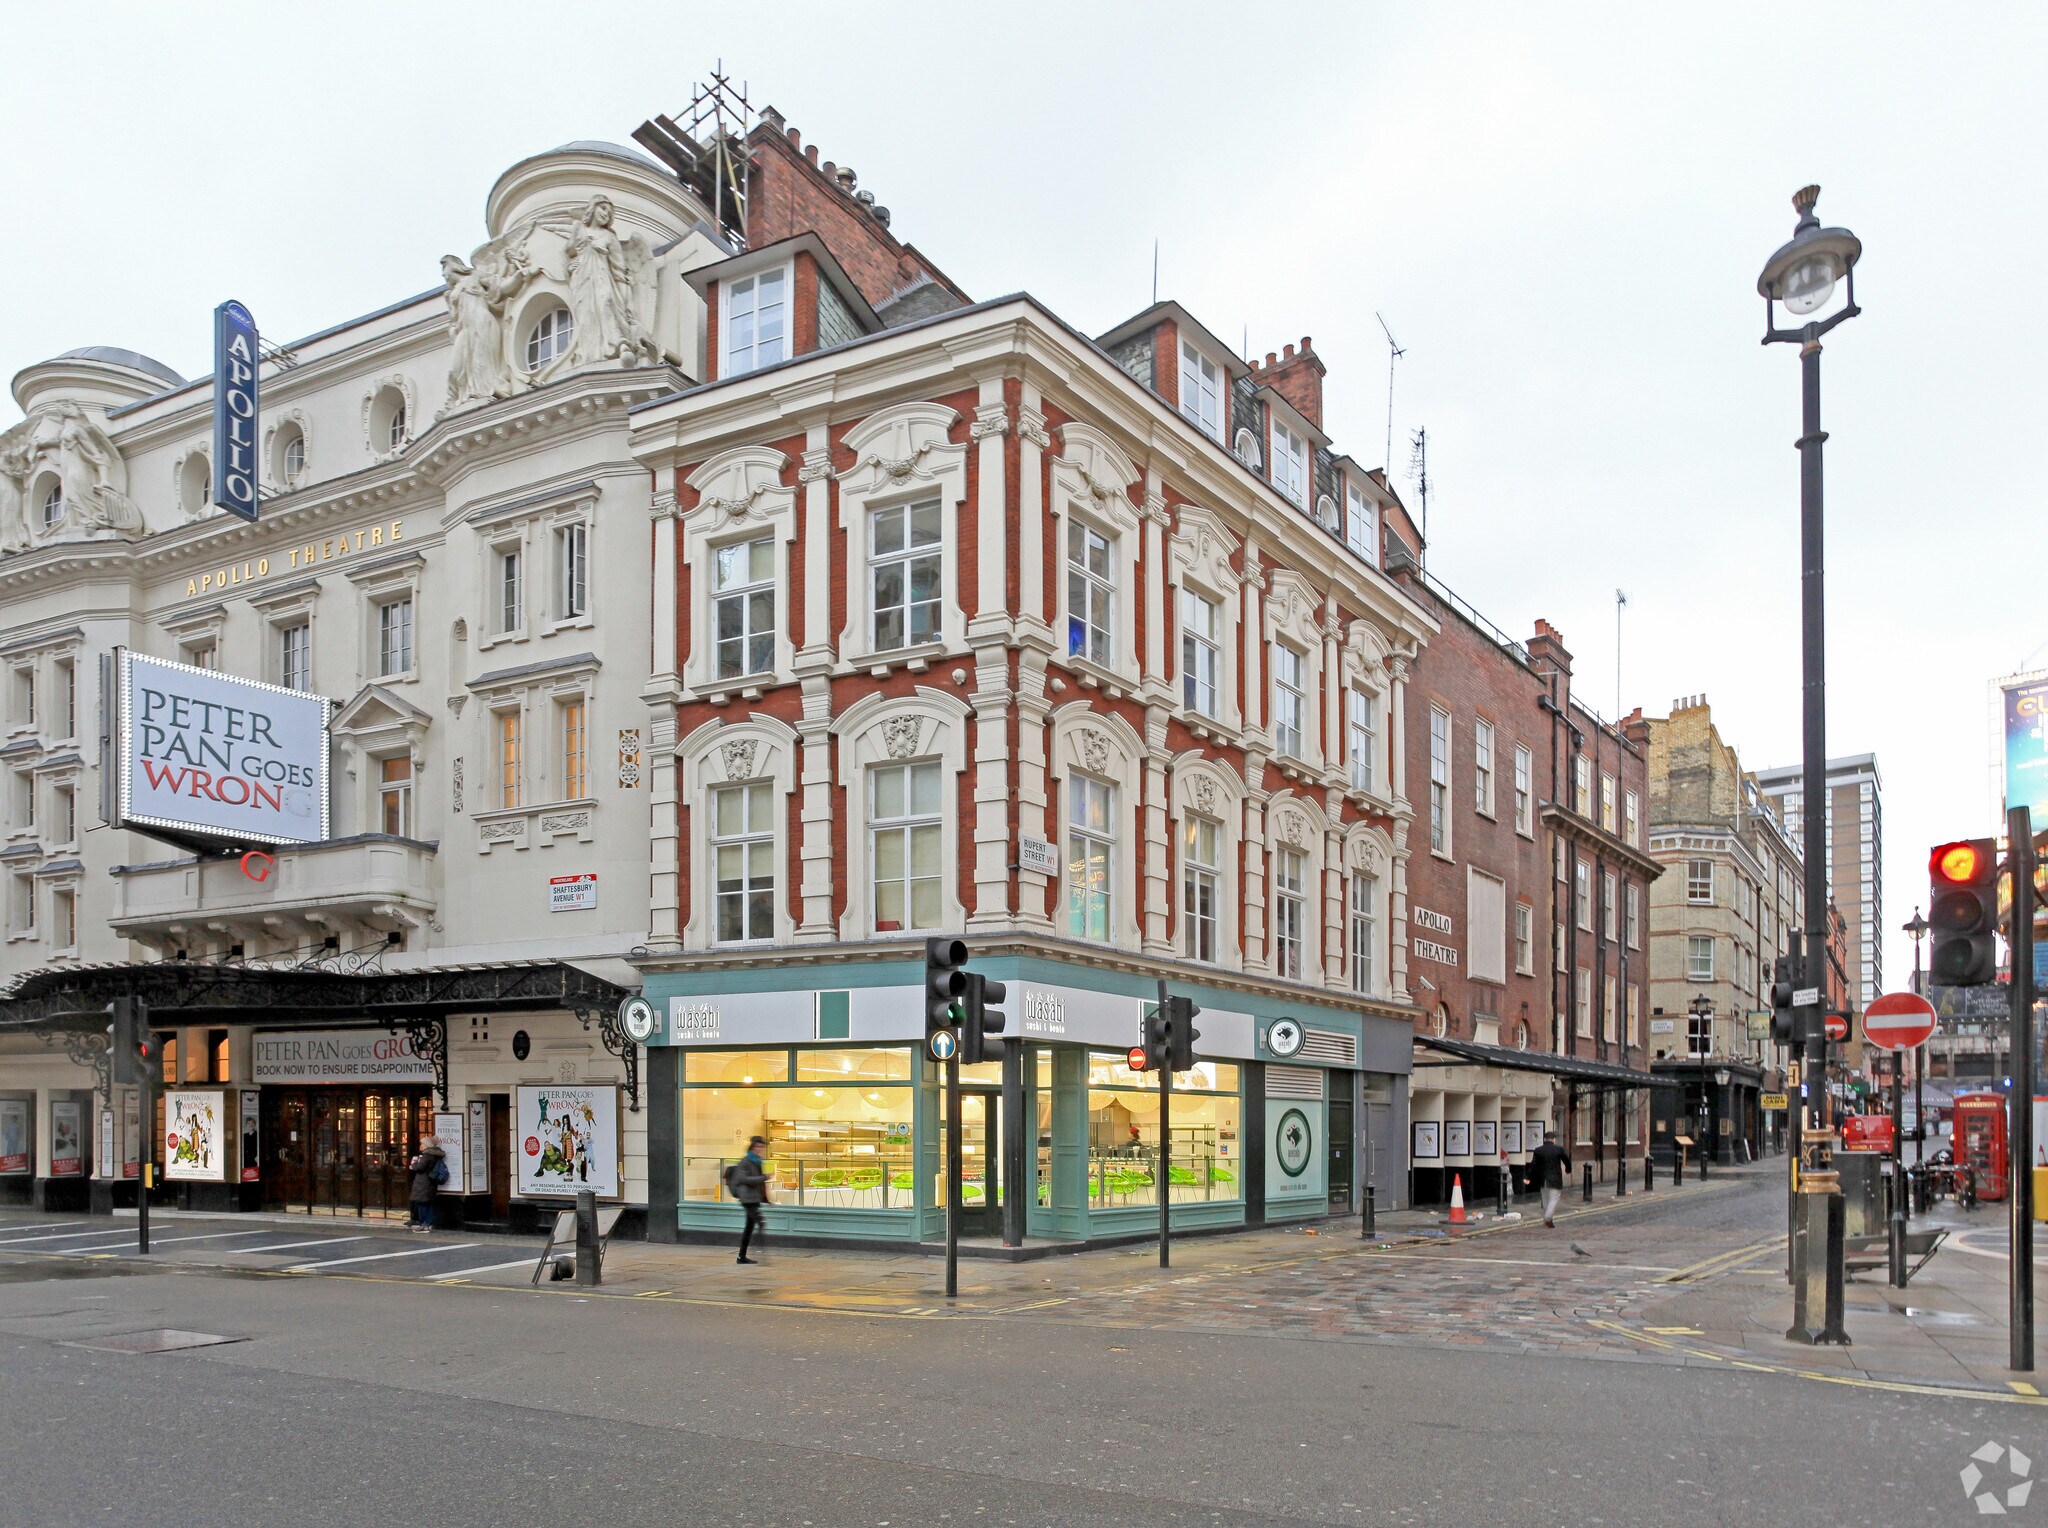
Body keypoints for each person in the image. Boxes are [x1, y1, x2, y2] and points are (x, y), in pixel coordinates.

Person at [726, 1135, 770, 1264]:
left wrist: (766, 1198)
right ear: (752, 1147)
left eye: (762, 1147)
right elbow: (743, 1179)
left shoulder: (757, 1161)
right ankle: (757, 1248)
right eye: (758, 1146)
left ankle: (742, 1256)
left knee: (750, 1226)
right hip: (747, 1198)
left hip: (754, 1198)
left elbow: (759, 1183)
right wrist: (764, 1177)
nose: (760, 1149)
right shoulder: (745, 1161)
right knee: (758, 1222)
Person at [1529, 1131, 1572, 1228]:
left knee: (1545, 1199)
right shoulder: (1559, 1149)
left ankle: (1548, 1220)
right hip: (1555, 1179)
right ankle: (1548, 1218)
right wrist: (1568, 1169)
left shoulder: (1538, 1150)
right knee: (1554, 1199)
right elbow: (1567, 1161)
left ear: (1544, 1139)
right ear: (1554, 1139)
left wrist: (1528, 1177)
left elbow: (1533, 1165)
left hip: (1542, 1179)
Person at [408, 1134, 448, 1232]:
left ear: (427, 1145)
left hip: (423, 1183)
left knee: (422, 1204)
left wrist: (413, 1165)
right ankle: (428, 1223)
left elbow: (420, 1167)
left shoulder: (427, 1155)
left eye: (422, 1144)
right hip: (430, 1183)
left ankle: (424, 1224)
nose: (421, 1146)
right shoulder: (435, 1155)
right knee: (428, 1204)